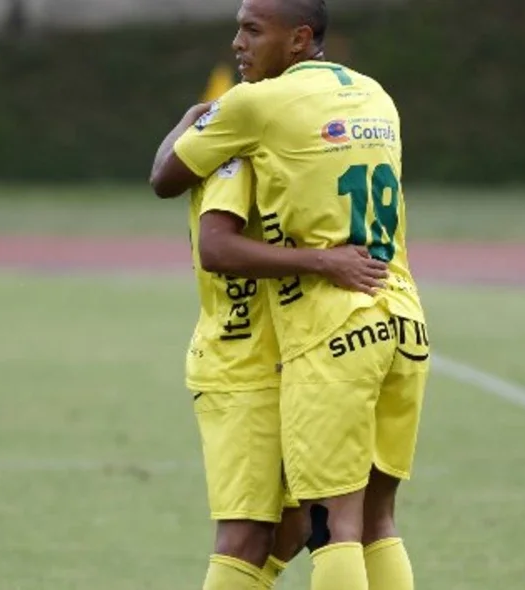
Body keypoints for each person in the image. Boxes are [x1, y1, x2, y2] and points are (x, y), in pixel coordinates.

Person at [150, 1, 428, 589]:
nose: (237, 43)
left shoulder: (253, 113)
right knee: (376, 521)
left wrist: (197, 117)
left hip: (327, 332)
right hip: (400, 316)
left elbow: (167, 181)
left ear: (299, 38)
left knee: (332, 526)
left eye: (252, 30)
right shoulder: (377, 97)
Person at [178, 156, 331, 589]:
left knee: (303, 517)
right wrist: (324, 261)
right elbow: (217, 248)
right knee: (245, 535)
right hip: (241, 367)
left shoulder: (287, 145)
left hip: (295, 364)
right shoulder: (242, 155)